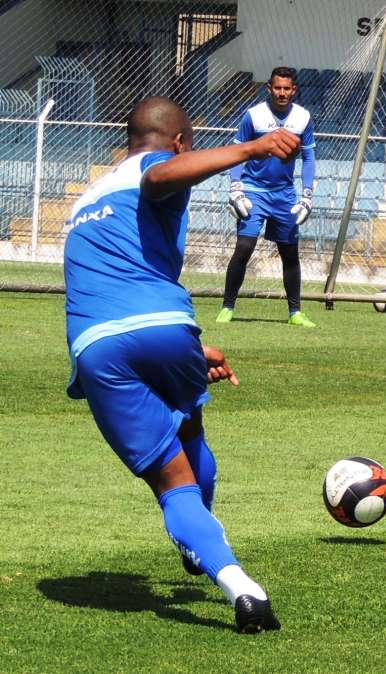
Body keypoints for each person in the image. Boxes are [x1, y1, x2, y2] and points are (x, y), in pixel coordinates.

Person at [63, 96, 301, 633]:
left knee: (172, 483)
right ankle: (209, 551)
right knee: (189, 450)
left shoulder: (89, 197)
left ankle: (233, 578)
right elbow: (161, 176)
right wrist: (255, 146)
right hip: (166, 327)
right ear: (179, 142)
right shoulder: (154, 167)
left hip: (98, 345)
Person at [217, 66, 317, 327]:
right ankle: (227, 307)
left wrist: (307, 195)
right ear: (269, 88)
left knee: (289, 253)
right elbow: (238, 152)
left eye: (287, 88)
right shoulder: (253, 116)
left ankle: (295, 313)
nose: (282, 93)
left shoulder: (303, 118)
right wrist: (235, 187)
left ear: (294, 90)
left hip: (284, 195)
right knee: (244, 248)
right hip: (254, 191)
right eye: (277, 88)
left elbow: (308, 158)